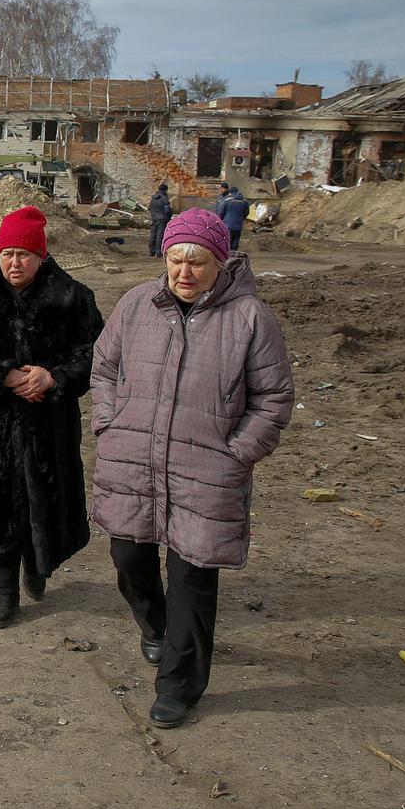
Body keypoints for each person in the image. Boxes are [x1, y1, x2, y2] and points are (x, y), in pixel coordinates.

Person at [89, 207, 293, 728]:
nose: (184, 271)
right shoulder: (136, 304)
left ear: (220, 264)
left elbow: (272, 398)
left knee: (192, 580)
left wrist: (237, 453)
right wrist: (108, 423)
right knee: (129, 558)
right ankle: (154, 626)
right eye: (176, 259)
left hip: (207, 472)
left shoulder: (250, 318)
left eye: (197, 262)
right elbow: (105, 368)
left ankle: (180, 685)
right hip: (133, 460)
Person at [0, 206, 104, 628]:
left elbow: (96, 354)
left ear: (42, 257)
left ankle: (39, 565)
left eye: (25, 254)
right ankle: (4, 591)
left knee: (46, 500)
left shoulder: (74, 299)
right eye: (8, 253)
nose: (15, 262)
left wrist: (53, 378)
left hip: (48, 424)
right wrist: (3, 376)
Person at [219, 187, 248, 253]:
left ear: (230, 193)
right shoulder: (245, 201)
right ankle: (233, 255)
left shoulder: (227, 201)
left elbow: (221, 212)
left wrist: (220, 221)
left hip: (228, 224)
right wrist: (241, 219)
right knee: (236, 241)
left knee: (228, 240)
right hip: (239, 225)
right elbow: (246, 213)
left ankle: (226, 255)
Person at [147, 183, 172, 258]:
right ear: (165, 190)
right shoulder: (164, 198)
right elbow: (167, 210)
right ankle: (158, 252)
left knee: (153, 235)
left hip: (154, 219)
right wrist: (169, 216)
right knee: (160, 236)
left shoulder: (153, 198)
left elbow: (150, 208)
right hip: (162, 219)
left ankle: (152, 251)